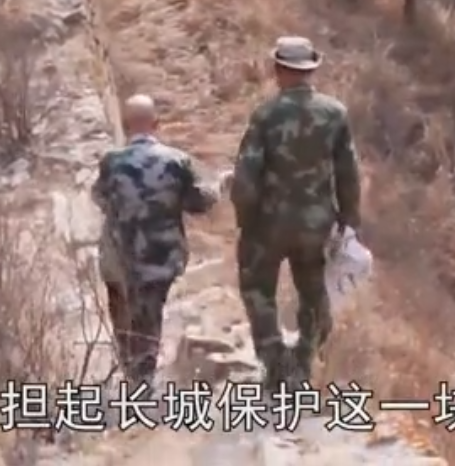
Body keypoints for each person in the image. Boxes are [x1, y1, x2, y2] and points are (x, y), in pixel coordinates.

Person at [229, 36, 362, 388]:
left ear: (278, 70)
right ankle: (304, 362)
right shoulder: (335, 114)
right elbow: (348, 173)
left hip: (268, 224)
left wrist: (246, 221)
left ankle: (274, 362)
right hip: (316, 224)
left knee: (258, 289)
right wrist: (349, 220)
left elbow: (245, 177)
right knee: (315, 292)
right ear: (311, 71)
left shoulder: (266, 115)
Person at [91, 94, 216, 386]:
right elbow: (198, 203)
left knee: (124, 321)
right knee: (149, 319)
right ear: (156, 124)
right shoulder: (177, 161)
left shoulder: (111, 162)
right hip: (160, 258)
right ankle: (143, 384)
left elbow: (99, 199)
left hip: (119, 259)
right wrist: (217, 187)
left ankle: (132, 378)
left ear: (125, 125)